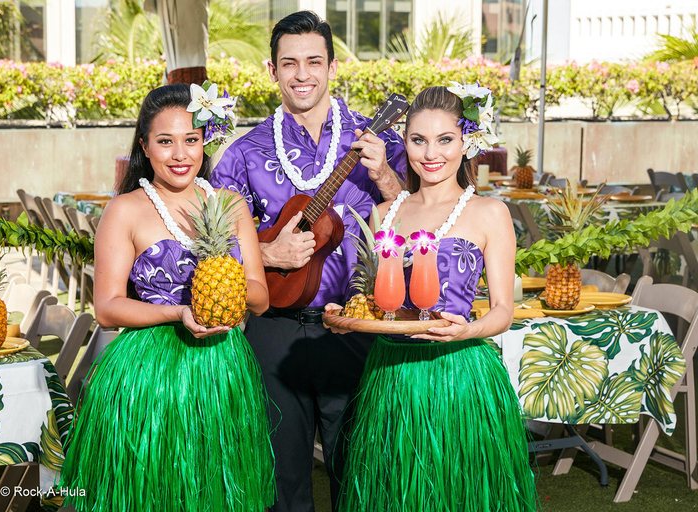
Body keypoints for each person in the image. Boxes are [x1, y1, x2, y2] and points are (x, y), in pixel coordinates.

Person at [210, 10, 406, 512]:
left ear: (333, 67)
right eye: (289, 62)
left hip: (356, 325)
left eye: (314, 61)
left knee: (360, 470)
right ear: (271, 70)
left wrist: (385, 178)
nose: (302, 74)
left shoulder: (376, 144)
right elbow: (211, 248)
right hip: (273, 329)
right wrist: (266, 252)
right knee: (282, 478)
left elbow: (422, 226)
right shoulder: (243, 154)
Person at [60, 84, 275, 511]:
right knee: (148, 492)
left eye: (191, 140)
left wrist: (224, 288)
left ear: (205, 141)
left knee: (214, 490)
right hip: (147, 374)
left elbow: (261, 296)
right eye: (165, 141)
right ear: (144, 144)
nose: (180, 154)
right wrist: (178, 310)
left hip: (222, 368)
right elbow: (106, 307)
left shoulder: (231, 206)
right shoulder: (125, 210)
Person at [327, 85, 537, 511]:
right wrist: (348, 310)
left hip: (459, 375)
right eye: (418, 140)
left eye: (445, 140)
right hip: (392, 372)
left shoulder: (489, 212)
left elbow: (503, 312)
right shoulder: (385, 214)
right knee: (395, 491)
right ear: (404, 142)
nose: (430, 153)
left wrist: (469, 330)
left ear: (466, 142)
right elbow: (375, 297)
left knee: (461, 493)